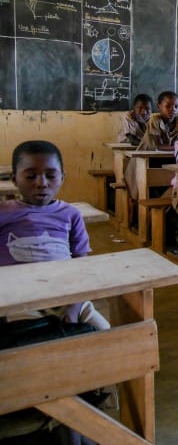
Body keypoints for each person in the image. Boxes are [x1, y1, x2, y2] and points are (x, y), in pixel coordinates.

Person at [0, 140, 108, 329]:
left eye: (50, 176)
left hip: (67, 296)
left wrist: (74, 307)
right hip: (19, 300)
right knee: (31, 341)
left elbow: (82, 265)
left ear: (62, 177)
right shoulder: (4, 213)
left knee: (106, 335)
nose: (42, 183)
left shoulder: (71, 214)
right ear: (14, 179)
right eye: (31, 176)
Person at [125, 91, 178, 206]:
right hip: (146, 159)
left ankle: (164, 207)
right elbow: (158, 146)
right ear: (159, 107)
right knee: (143, 188)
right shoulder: (154, 120)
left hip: (167, 159)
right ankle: (142, 212)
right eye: (168, 106)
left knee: (171, 181)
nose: (173, 109)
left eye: (176, 106)